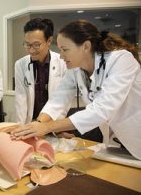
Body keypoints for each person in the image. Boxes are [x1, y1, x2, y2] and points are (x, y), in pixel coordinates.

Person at [11, 19, 141, 160]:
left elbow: (102, 109)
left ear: (85, 46)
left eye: (65, 50)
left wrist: (48, 127)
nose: (61, 56)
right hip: (119, 138)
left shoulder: (121, 59)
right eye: (60, 50)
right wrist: (39, 124)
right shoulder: (76, 70)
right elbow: (58, 100)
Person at [15, 18, 67, 124]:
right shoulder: (20, 64)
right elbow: (21, 98)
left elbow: (63, 99)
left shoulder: (63, 63)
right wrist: (20, 126)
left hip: (54, 123)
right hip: (31, 123)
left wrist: (55, 127)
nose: (31, 50)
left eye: (36, 45)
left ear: (49, 41)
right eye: (27, 44)